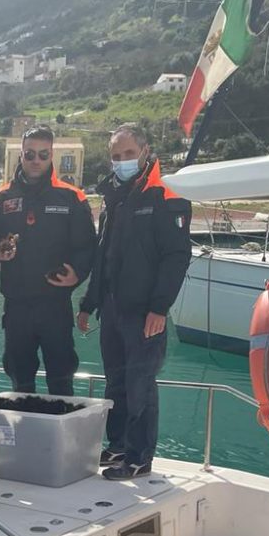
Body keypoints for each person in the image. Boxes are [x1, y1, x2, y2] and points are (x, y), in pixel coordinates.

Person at [77, 123, 192, 480]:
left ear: (145, 152)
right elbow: (103, 255)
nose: (122, 161)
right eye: (116, 156)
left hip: (145, 311)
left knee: (141, 382)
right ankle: (119, 445)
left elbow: (176, 256)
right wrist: (88, 303)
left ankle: (140, 457)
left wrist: (160, 307)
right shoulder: (113, 197)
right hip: (112, 307)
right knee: (116, 381)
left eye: (128, 154)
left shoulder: (167, 194)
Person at [0, 125, 96, 396]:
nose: (36, 160)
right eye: (29, 154)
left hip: (55, 305)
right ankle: (25, 434)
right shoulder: (3, 197)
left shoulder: (72, 197)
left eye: (42, 154)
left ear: (52, 156)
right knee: (19, 378)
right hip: (16, 306)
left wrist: (78, 274)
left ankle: (60, 437)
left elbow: (87, 247)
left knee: (61, 379)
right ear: (21, 156)